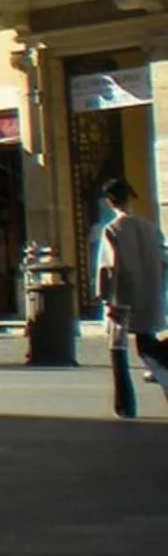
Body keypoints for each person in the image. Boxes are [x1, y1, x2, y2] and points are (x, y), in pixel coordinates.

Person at [97, 178, 166, 420]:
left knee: (118, 351)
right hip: (149, 294)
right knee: (146, 341)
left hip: (122, 298)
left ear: (109, 202)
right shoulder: (150, 228)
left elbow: (107, 268)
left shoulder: (112, 230)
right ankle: (163, 370)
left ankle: (125, 405)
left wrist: (104, 297)